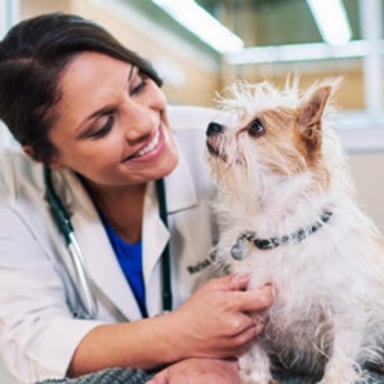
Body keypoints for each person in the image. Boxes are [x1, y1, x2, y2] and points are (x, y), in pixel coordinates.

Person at [0, 13, 274, 384]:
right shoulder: (12, 187)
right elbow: (27, 342)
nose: (145, 123)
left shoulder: (232, 147)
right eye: (103, 125)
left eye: (138, 85)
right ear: (46, 156)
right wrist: (179, 335)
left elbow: (320, 301)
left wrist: (234, 364)